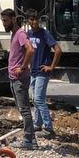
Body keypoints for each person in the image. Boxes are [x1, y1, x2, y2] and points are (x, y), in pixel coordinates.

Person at [4, 8, 36, 149]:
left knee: (24, 110)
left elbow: (30, 50)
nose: (3, 23)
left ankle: (29, 140)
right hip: (14, 78)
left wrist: (22, 67)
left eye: (5, 20)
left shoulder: (20, 33)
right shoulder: (14, 34)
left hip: (20, 78)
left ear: (13, 19)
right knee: (22, 109)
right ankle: (30, 139)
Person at [27, 11, 57, 139]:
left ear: (39, 20)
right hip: (33, 71)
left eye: (35, 19)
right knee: (35, 99)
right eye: (31, 20)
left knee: (38, 99)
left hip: (42, 71)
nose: (33, 22)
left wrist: (51, 66)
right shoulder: (28, 34)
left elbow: (58, 50)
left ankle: (48, 128)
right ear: (27, 21)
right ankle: (37, 124)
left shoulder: (44, 33)